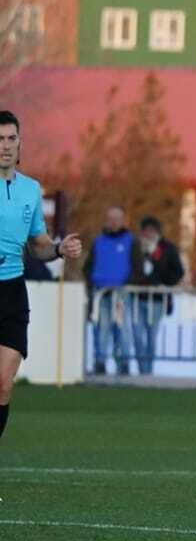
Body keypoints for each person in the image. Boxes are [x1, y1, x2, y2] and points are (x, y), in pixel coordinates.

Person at [0, 110, 84, 441]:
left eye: (10, 139)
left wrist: (60, 250)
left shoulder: (31, 190)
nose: (5, 146)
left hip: (12, 292)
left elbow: (38, 245)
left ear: (20, 144)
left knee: (4, 384)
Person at [126, 216, 184, 376]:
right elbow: (129, 269)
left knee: (151, 337)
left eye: (152, 230)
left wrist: (164, 283)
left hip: (157, 300)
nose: (149, 234)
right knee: (137, 336)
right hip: (137, 298)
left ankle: (148, 371)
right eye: (146, 230)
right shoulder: (135, 248)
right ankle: (141, 368)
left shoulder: (167, 248)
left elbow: (177, 272)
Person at [85, 205, 134, 375]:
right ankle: (100, 362)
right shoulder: (98, 241)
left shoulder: (130, 241)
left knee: (122, 328)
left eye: (117, 219)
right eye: (111, 219)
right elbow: (88, 266)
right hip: (101, 293)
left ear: (123, 221)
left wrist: (127, 283)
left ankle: (124, 364)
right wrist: (92, 283)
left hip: (121, 295)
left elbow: (137, 266)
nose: (114, 222)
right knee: (102, 328)